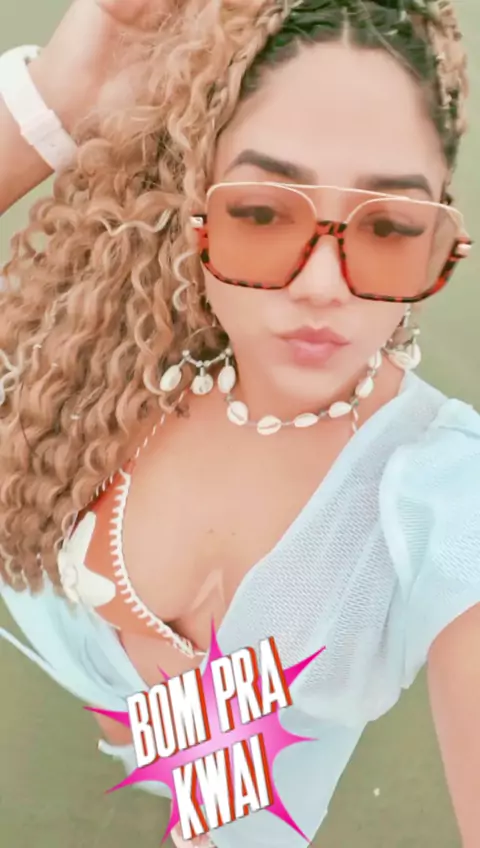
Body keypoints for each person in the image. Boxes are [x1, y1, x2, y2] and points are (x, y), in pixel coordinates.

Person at [0, 0, 479, 846]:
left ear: (444, 235)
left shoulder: (443, 496)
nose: (323, 286)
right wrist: (59, 98)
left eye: (390, 227)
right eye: (262, 213)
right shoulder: (91, 360)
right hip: (95, 682)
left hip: (254, 809)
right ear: (193, 208)